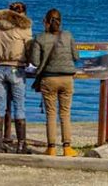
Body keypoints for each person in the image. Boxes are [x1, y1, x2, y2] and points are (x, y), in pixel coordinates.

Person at [29, 8, 80, 157]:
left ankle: (51, 148)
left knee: (51, 114)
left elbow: (35, 61)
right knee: (65, 114)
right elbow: (76, 56)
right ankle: (67, 148)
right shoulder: (68, 35)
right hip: (67, 79)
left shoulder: (40, 38)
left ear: (46, 21)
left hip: (49, 79)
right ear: (60, 21)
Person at [0, 1, 32, 153]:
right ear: (22, 13)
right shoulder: (24, 27)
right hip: (16, 68)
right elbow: (30, 48)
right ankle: (21, 145)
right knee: (19, 106)